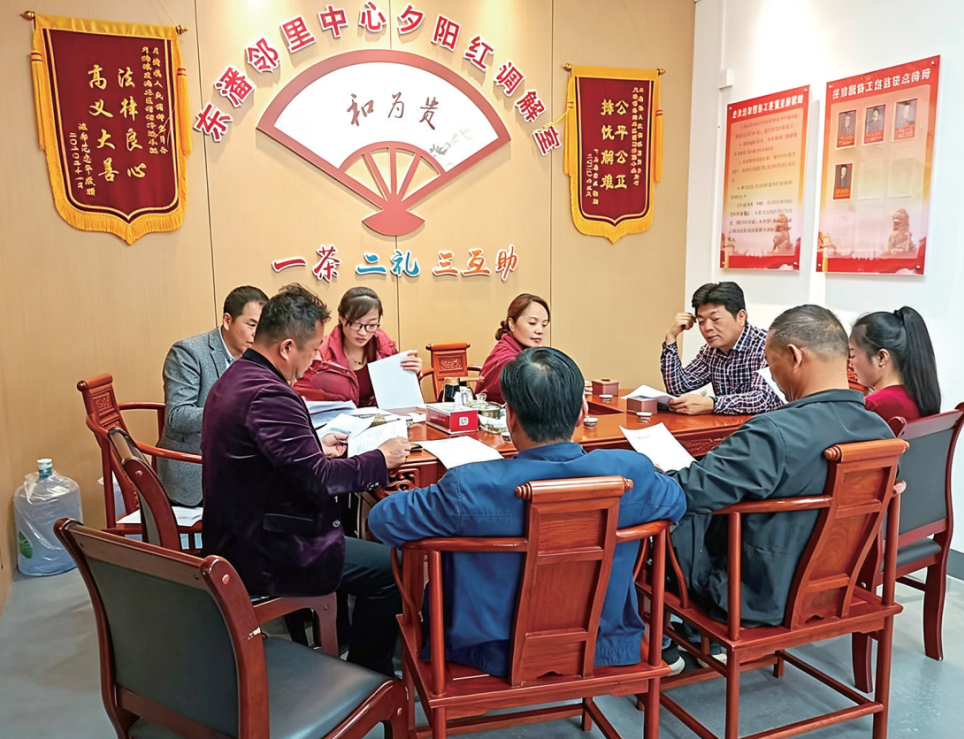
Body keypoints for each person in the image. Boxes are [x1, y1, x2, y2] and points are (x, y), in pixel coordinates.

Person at [369, 348, 686, 678]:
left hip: (487, 652)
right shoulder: (631, 474)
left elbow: (382, 520)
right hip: (603, 644)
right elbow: (678, 500)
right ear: (582, 412)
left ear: (510, 418)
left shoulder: (470, 485)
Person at [201, 284, 413, 675]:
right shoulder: (269, 394)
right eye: (313, 349)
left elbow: (275, 458)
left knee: (370, 549)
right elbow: (318, 479)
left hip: (240, 530)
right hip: (266, 547)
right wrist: (380, 459)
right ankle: (370, 676)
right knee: (394, 569)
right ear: (286, 347)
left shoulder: (238, 377)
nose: (315, 359)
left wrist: (314, 444)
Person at [667, 305, 892, 633]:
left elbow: (689, 492)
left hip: (751, 596)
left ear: (794, 357)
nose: (772, 378)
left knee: (657, 520)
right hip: (838, 587)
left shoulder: (773, 432)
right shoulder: (881, 432)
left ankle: (662, 641)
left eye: (771, 366)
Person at [157, 286, 268, 507]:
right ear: (227, 320)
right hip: (196, 467)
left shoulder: (255, 357)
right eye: (252, 325)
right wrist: (237, 413)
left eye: (262, 327)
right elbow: (177, 416)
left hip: (240, 462)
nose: (257, 334)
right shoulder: (188, 353)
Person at [661, 282, 780, 415]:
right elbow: (678, 387)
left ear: (741, 317)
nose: (707, 328)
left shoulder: (767, 346)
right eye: (701, 322)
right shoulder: (711, 351)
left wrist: (712, 403)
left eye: (715, 319)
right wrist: (671, 338)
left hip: (766, 425)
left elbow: (764, 399)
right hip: (728, 425)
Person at [294, 287, 421, 407]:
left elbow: (399, 398)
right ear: (342, 318)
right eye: (356, 324)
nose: (363, 332)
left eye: (371, 325)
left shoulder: (386, 349)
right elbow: (299, 393)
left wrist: (412, 374)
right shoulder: (320, 353)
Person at [849, 306, 941, 422]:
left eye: (852, 355)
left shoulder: (873, 406)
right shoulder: (919, 399)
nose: (850, 364)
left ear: (881, 358)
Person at [476, 293, 550, 403]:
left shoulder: (530, 352)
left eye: (544, 325)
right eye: (532, 323)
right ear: (511, 324)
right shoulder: (508, 359)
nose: (540, 331)